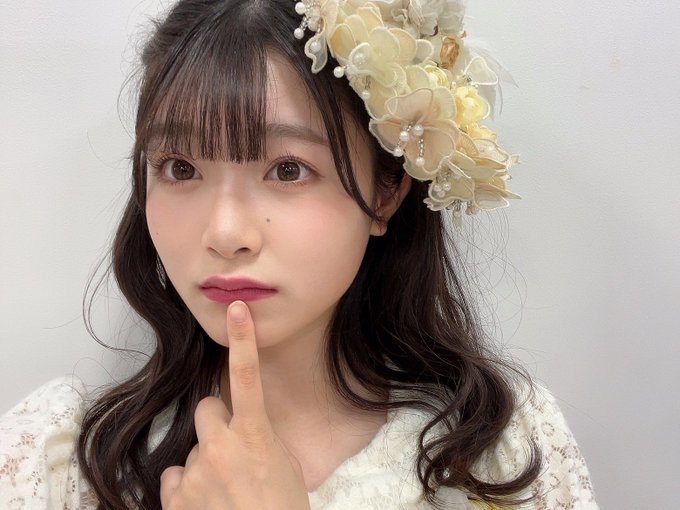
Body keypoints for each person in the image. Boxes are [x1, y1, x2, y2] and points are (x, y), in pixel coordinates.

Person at [0, 0, 598, 508]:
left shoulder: (499, 453)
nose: (226, 233)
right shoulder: (58, 464)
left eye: (288, 169)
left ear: (386, 191)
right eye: (180, 168)